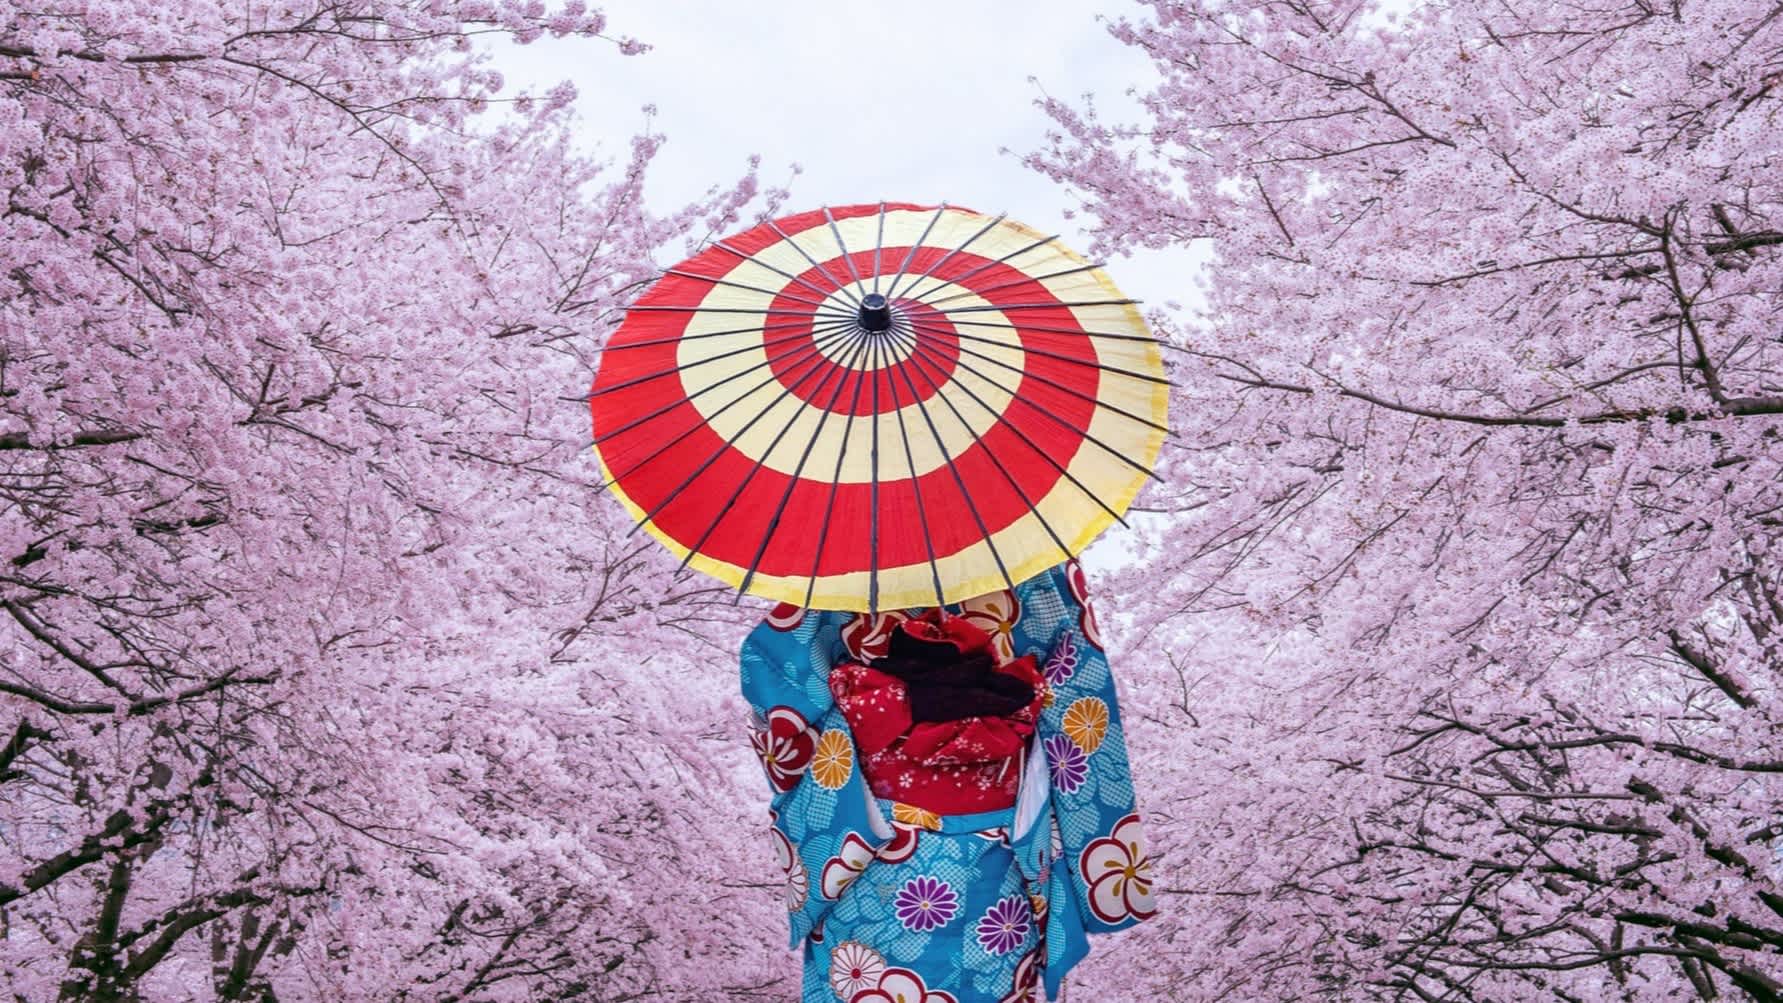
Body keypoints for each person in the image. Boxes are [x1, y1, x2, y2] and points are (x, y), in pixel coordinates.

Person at [740, 561, 1155, 1003]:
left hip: (870, 841)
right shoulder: (1032, 555)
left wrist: (877, 714)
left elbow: (778, 703)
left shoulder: (836, 566)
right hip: (1001, 844)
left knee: (870, 983)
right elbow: (1079, 703)